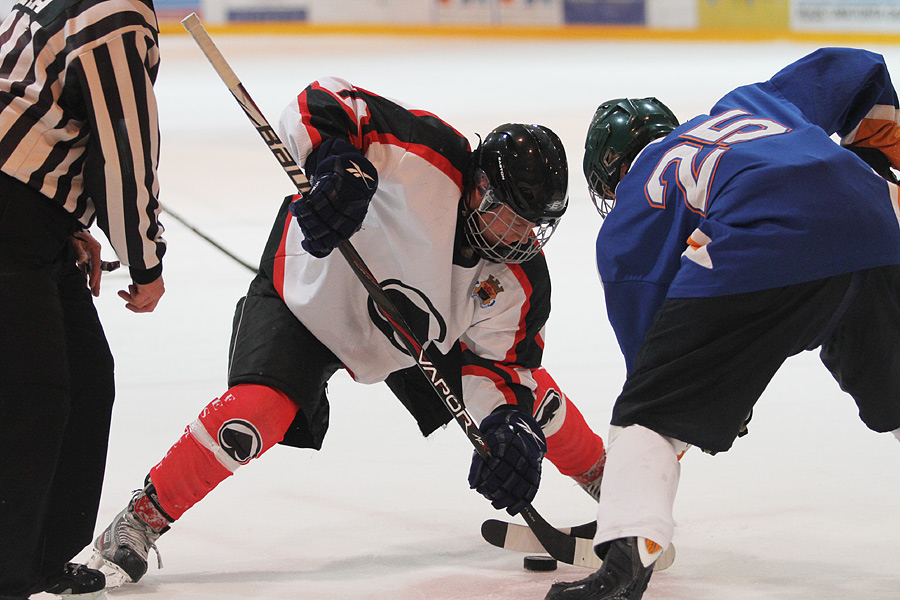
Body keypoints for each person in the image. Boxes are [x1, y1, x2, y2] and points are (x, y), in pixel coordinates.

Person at [86, 77, 606, 586]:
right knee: (252, 416)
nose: (523, 236)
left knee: (532, 402)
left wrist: (506, 430)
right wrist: (338, 165)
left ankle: (614, 486)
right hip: (311, 289)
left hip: (411, 336)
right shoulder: (427, 153)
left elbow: (501, 368)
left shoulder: (519, 278)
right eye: (512, 216)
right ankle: (140, 521)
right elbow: (318, 102)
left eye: (535, 224)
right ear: (480, 188)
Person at [545, 47, 900, 600]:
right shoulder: (747, 104)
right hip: (877, 222)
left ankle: (625, 559)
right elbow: (857, 68)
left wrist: (703, 406)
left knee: (647, 413)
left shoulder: (632, 210)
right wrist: (872, 165)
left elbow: (655, 365)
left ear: (609, 174)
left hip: (765, 243)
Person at [0, 0, 167, 598]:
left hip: (30, 215)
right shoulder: (116, 14)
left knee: (86, 378)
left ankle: (39, 555)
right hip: (12, 215)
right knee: (34, 392)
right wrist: (147, 261)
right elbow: (124, 155)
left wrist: (64, 215)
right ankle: (8, 568)